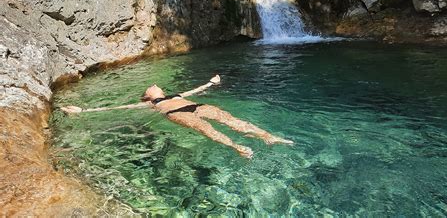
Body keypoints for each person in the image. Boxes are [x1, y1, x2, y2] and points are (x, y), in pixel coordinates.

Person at [61, 75, 293, 158]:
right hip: (175, 113)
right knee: (208, 130)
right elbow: (115, 109)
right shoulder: (152, 105)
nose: (153, 84)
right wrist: (82, 111)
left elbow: (194, 91)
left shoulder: (174, 93)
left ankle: (267, 136)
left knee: (229, 119)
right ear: (148, 97)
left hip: (196, 105)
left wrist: (210, 84)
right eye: (150, 87)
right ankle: (237, 148)